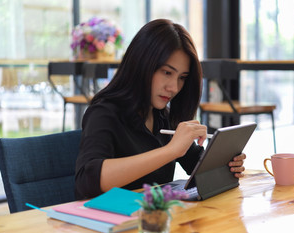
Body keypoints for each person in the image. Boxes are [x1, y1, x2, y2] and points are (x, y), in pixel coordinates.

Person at [75, 19, 247, 199]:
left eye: (182, 78)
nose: (174, 87)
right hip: (108, 221)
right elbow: (87, 181)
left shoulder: (163, 116)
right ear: (141, 64)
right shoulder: (104, 112)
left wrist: (225, 164)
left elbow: (197, 167)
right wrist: (170, 151)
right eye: (167, 72)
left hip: (153, 220)